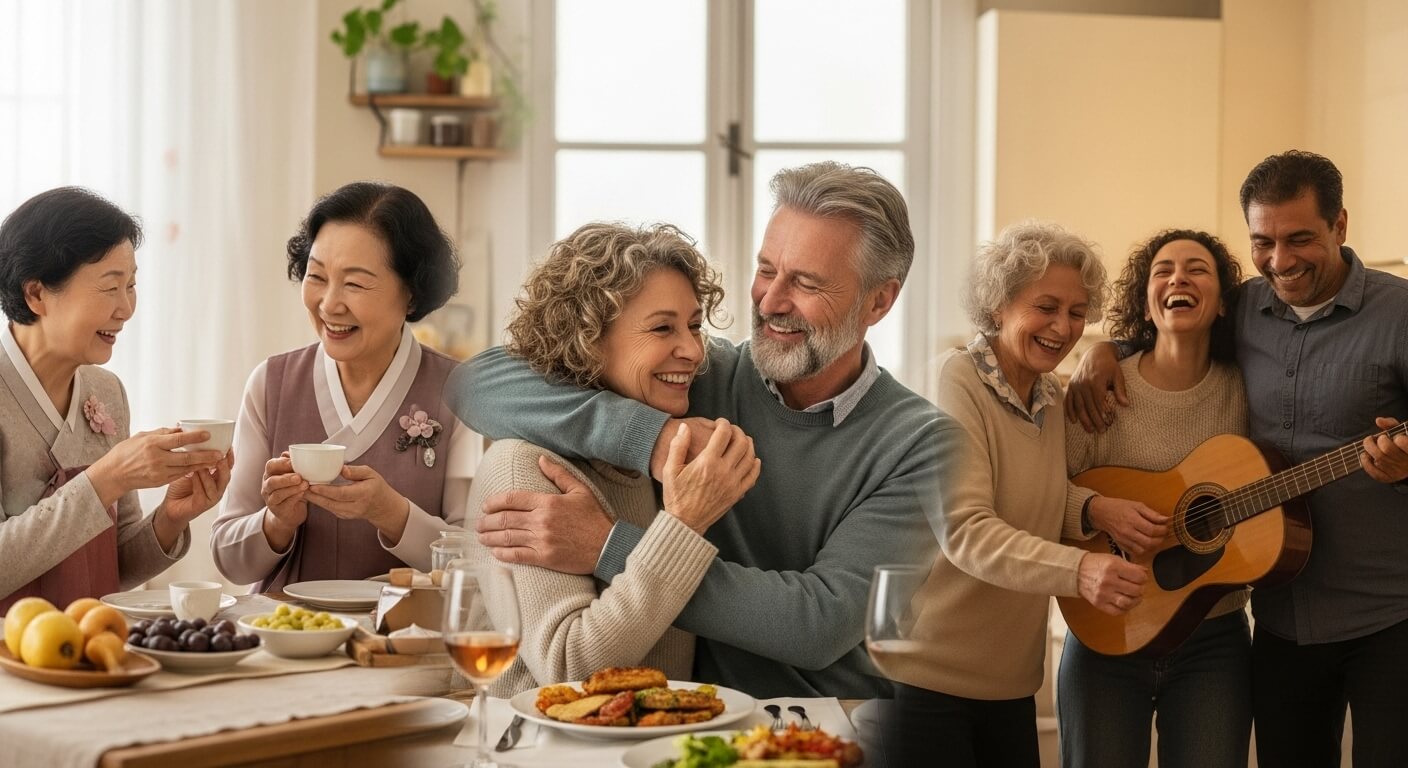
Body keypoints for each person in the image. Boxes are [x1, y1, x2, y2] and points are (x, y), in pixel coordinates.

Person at [448, 162, 945, 698]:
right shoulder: (693, 381)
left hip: (829, 720)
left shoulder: (922, 444)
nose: (770, 301)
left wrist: (608, 546)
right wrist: (651, 437)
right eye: (766, 269)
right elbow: (476, 383)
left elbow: (819, 625)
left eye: (805, 283)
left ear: (879, 300)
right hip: (685, 716)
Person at [1065, 150, 1408, 766]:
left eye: (1300, 239)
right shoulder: (1247, 304)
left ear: (1340, 225)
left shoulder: (1400, 313)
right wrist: (1103, 351)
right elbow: (1170, 319)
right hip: (1282, 620)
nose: (1281, 261)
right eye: (1262, 242)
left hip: (1388, 614)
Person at [873, 221, 1147, 767]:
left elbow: (1028, 497)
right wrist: (1080, 570)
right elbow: (966, 531)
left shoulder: (1048, 395)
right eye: (1046, 307)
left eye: (1076, 312)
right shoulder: (952, 382)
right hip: (924, 682)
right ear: (998, 305)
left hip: (1011, 683)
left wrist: (1093, 508)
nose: (1063, 327)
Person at [464, 222, 759, 695]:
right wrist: (684, 523)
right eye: (662, 327)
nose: (692, 350)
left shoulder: (657, 458)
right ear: (586, 338)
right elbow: (570, 667)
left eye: (694, 325)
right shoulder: (525, 466)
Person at [211, 182, 483, 590]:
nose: (329, 304)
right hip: (285, 626)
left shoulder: (462, 394)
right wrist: (276, 521)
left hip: (407, 629)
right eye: (317, 276)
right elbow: (229, 561)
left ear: (411, 294)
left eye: (354, 284)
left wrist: (393, 514)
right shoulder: (270, 384)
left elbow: (477, 563)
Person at [1057, 229, 1251, 768]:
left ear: (1223, 303)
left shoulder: (1246, 390)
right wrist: (1097, 510)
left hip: (1214, 642)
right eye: (1163, 270)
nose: (1178, 278)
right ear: (1146, 303)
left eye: (1197, 269)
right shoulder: (1099, 390)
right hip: (1104, 634)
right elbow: (1047, 492)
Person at [0, 187, 232, 610]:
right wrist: (107, 478)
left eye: (131, 285)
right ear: (36, 294)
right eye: (110, 288)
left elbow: (114, 565)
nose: (126, 308)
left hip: (95, 638)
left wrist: (171, 517)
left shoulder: (107, 392)